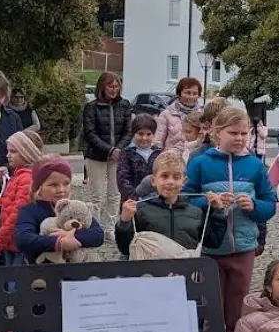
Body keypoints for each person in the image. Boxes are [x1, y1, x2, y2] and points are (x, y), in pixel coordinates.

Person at [184, 104, 276, 332]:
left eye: (244, 133)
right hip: (210, 249)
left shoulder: (256, 166)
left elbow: (270, 205)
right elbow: (184, 199)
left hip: (243, 248)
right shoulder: (200, 163)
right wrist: (207, 201)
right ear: (217, 132)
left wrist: (254, 205)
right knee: (210, 305)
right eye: (233, 133)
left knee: (238, 309)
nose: (239, 138)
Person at [14, 156, 105, 264]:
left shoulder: (76, 208)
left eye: (66, 183)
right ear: (38, 188)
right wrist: (59, 242)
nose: (61, 190)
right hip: (41, 272)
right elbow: (23, 239)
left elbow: (98, 235)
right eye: (53, 185)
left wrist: (71, 235)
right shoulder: (29, 210)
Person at [116, 149, 205, 255]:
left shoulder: (196, 212)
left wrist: (218, 213)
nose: (170, 182)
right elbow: (125, 248)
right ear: (153, 181)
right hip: (151, 270)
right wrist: (125, 221)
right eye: (164, 176)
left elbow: (212, 242)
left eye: (176, 177)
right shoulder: (141, 210)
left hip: (185, 270)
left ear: (184, 181)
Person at [80, 72, 132, 219]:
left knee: (114, 194)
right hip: (96, 156)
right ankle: (95, 226)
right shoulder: (91, 107)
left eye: (116, 86)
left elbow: (128, 131)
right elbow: (90, 133)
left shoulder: (125, 105)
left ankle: (110, 228)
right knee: (97, 195)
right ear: (102, 87)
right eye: (110, 86)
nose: (114, 90)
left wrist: (118, 149)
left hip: (117, 156)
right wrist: (109, 150)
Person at [0, 130, 44, 265]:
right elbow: (11, 201)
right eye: (8, 151)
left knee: (16, 281)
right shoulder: (18, 175)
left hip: (18, 242)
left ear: (27, 153)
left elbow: (17, 213)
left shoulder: (26, 179)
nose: (7, 155)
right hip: (12, 240)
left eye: (13, 151)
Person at [117, 114, 159, 203]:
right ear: (133, 133)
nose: (144, 138)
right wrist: (135, 198)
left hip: (156, 200)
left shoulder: (158, 153)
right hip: (134, 201)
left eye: (148, 134)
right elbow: (123, 180)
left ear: (154, 134)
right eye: (140, 134)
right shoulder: (126, 154)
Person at [156, 77, 202, 152]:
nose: (191, 96)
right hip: (172, 159)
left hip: (194, 159)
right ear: (179, 93)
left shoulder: (202, 115)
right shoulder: (166, 114)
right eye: (187, 92)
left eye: (195, 93)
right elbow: (158, 142)